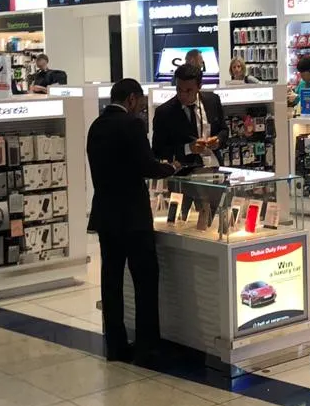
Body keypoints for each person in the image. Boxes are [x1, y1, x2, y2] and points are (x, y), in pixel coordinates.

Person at [86, 78, 175, 363]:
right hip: (133, 217)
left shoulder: (96, 126)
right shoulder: (132, 125)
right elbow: (146, 166)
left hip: (106, 214)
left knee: (111, 280)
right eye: (140, 103)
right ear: (132, 99)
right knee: (145, 280)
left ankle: (116, 345)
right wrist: (170, 168)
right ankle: (147, 346)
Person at [152, 63, 227, 171]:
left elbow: (224, 130)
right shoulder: (164, 112)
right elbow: (158, 151)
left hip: (215, 167)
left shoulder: (213, 101)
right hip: (183, 172)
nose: (183, 95)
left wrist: (218, 141)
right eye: (179, 89)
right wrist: (188, 149)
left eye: (188, 90)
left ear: (199, 86)